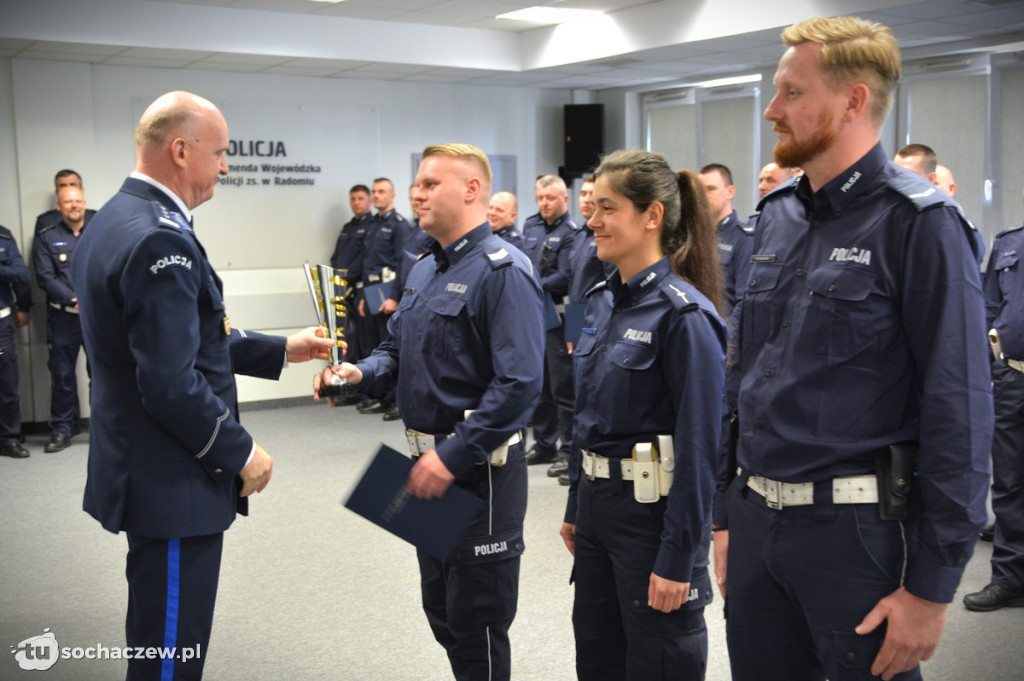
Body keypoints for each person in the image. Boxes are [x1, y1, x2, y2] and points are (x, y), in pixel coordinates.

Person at [716, 16, 991, 681]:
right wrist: (726, 516)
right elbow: (743, 374)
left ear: (853, 100)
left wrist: (931, 586)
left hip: (854, 534)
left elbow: (958, 407)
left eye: (790, 92)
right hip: (757, 525)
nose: (772, 111)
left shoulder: (918, 224)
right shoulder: (777, 215)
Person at [71, 90, 333, 681]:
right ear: (182, 150)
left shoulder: (114, 218)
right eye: (220, 153)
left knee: (162, 639)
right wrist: (241, 452)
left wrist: (280, 348)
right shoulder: (160, 238)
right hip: (172, 478)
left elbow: (177, 334)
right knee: (169, 655)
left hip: (141, 463)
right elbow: (167, 381)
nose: (226, 167)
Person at [316, 143, 544, 681]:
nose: (416, 193)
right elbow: (394, 350)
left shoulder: (503, 272)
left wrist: (451, 457)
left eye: (429, 184)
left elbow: (519, 385)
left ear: (471, 190)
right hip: (423, 465)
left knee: (478, 625)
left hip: (476, 472)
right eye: (415, 183)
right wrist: (359, 372)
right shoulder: (422, 269)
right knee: (442, 614)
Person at [559, 150, 726, 680]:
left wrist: (680, 557)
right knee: (599, 657)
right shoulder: (599, 301)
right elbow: (586, 416)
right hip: (598, 512)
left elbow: (702, 452)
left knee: (658, 659)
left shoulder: (686, 316)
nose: (592, 220)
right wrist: (575, 504)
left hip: (651, 520)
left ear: (651, 216)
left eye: (607, 208)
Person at [963, 188, 1024, 612]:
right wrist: (993, 357)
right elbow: (987, 304)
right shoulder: (1009, 242)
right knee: (1009, 484)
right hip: (1014, 377)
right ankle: (1010, 578)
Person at [522, 174, 579, 474]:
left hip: (559, 316)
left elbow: (567, 276)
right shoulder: (530, 227)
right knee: (540, 385)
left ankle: (567, 450)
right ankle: (544, 444)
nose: (544, 203)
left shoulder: (572, 232)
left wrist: (533, 283)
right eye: (541, 198)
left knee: (562, 388)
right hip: (534, 315)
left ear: (564, 199)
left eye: (551, 198)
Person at [33, 184, 91, 452]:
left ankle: (103, 429)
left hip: (96, 318)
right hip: (64, 317)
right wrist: (73, 298)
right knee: (63, 375)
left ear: (84, 202)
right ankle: (62, 430)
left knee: (102, 375)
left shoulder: (98, 229)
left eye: (78, 200)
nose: (74, 205)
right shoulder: (47, 235)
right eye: (68, 202)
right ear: (59, 206)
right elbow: (45, 276)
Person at [356, 177, 410, 416]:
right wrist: (361, 296)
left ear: (392, 196)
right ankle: (381, 397)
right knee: (372, 346)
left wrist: (395, 297)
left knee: (388, 345)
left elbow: (403, 262)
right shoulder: (372, 225)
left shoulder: (399, 225)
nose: (377, 195)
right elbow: (367, 263)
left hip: (387, 290)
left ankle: (396, 399)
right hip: (369, 290)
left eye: (382, 192)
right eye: (375, 192)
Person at [699, 163, 753, 314]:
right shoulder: (694, 237)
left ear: (730, 192)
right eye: (699, 191)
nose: (702, 196)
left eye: (710, 189)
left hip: (723, 330)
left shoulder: (744, 239)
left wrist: (728, 338)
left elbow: (744, 302)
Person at [329, 183, 373, 369]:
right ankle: (348, 386)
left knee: (364, 341)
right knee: (347, 339)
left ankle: (362, 388)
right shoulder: (347, 227)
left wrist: (345, 277)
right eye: (353, 199)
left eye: (360, 198)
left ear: (369, 200)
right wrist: (334, 275)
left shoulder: (372, 227)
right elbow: (336, 257)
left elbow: (366, 259)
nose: (356, 203)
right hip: (341, 289)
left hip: (359, 291)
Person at [0, 222, 32, 459]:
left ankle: (9, 439)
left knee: (7, 384)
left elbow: (22, 274)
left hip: (1, 322)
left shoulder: (3, 236)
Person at [34, 169, 97, 234]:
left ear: (82, 190)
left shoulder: (95, 217)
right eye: (63, 186)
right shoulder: (45, 221)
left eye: (72, 185)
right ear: (57, 192)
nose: (68, 189)